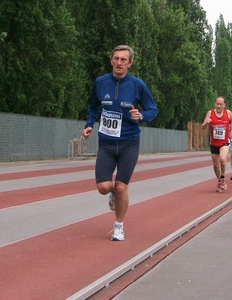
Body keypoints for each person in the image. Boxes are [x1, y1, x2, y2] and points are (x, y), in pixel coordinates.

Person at [82, 45, 159, 241]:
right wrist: (89, 125)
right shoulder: (100, 83)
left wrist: (141, 115)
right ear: (111, 60)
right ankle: (114, 195)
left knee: (122, 187)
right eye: (116, 58)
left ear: (130, 63)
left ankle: (118, 226)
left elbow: (153, 110)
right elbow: (93, 108)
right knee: (104, 187)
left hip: (129, 143)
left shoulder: (137, 85)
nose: (119, 63)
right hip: (106, 143)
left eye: (123, 60)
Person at [202, 96, 232, 192]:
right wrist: (206, 123)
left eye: (221, 104)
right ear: (215, 104)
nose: (219, 106)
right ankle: (220, 180)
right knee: (216, 165)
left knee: (222, 158)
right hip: (214, 142)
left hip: (225, 142)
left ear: (224, 105)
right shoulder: (210, 113)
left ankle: (223, 177)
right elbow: (202, 127)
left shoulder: (228, 113)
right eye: (217, 104)